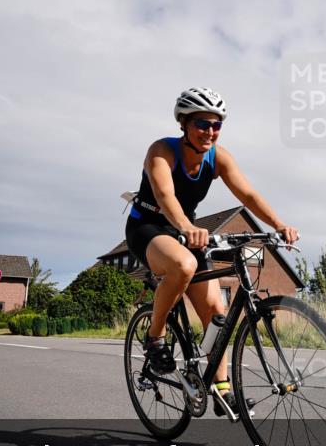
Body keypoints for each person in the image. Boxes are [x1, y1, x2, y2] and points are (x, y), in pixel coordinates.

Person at [125, 87, 298, 418]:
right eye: (203, 123)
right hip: (148, 228)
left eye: (217, 125)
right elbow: (164, 195)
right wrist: (184, 226)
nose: (210, 132)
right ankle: (155, 337)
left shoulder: (217, 157)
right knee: (183, 264)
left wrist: (278, 223)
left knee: (216, 311)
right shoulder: (162, 151)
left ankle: (221, 389)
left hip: (187, 232)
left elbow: (247, 193)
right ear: (184, 124)